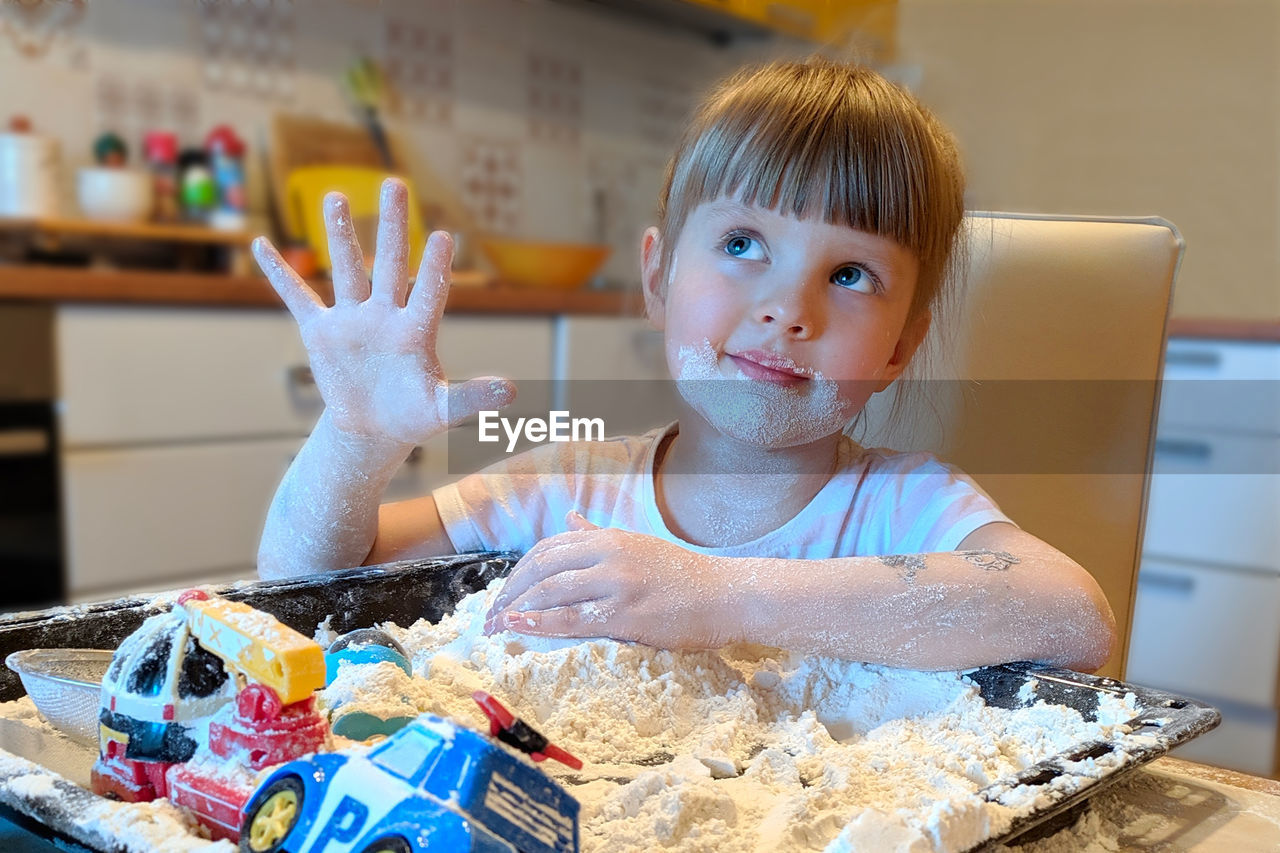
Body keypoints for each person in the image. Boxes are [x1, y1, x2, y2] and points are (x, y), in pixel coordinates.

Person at [252, 58, 1116, 672]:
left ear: (898, 347)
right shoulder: (566, 489)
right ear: (659, 274)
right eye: (744, 243)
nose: (788, 308)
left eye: (849, 274)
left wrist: (721, 593)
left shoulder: (904, 507)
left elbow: (1075, 615)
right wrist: (355, 440)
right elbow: (306, 583)